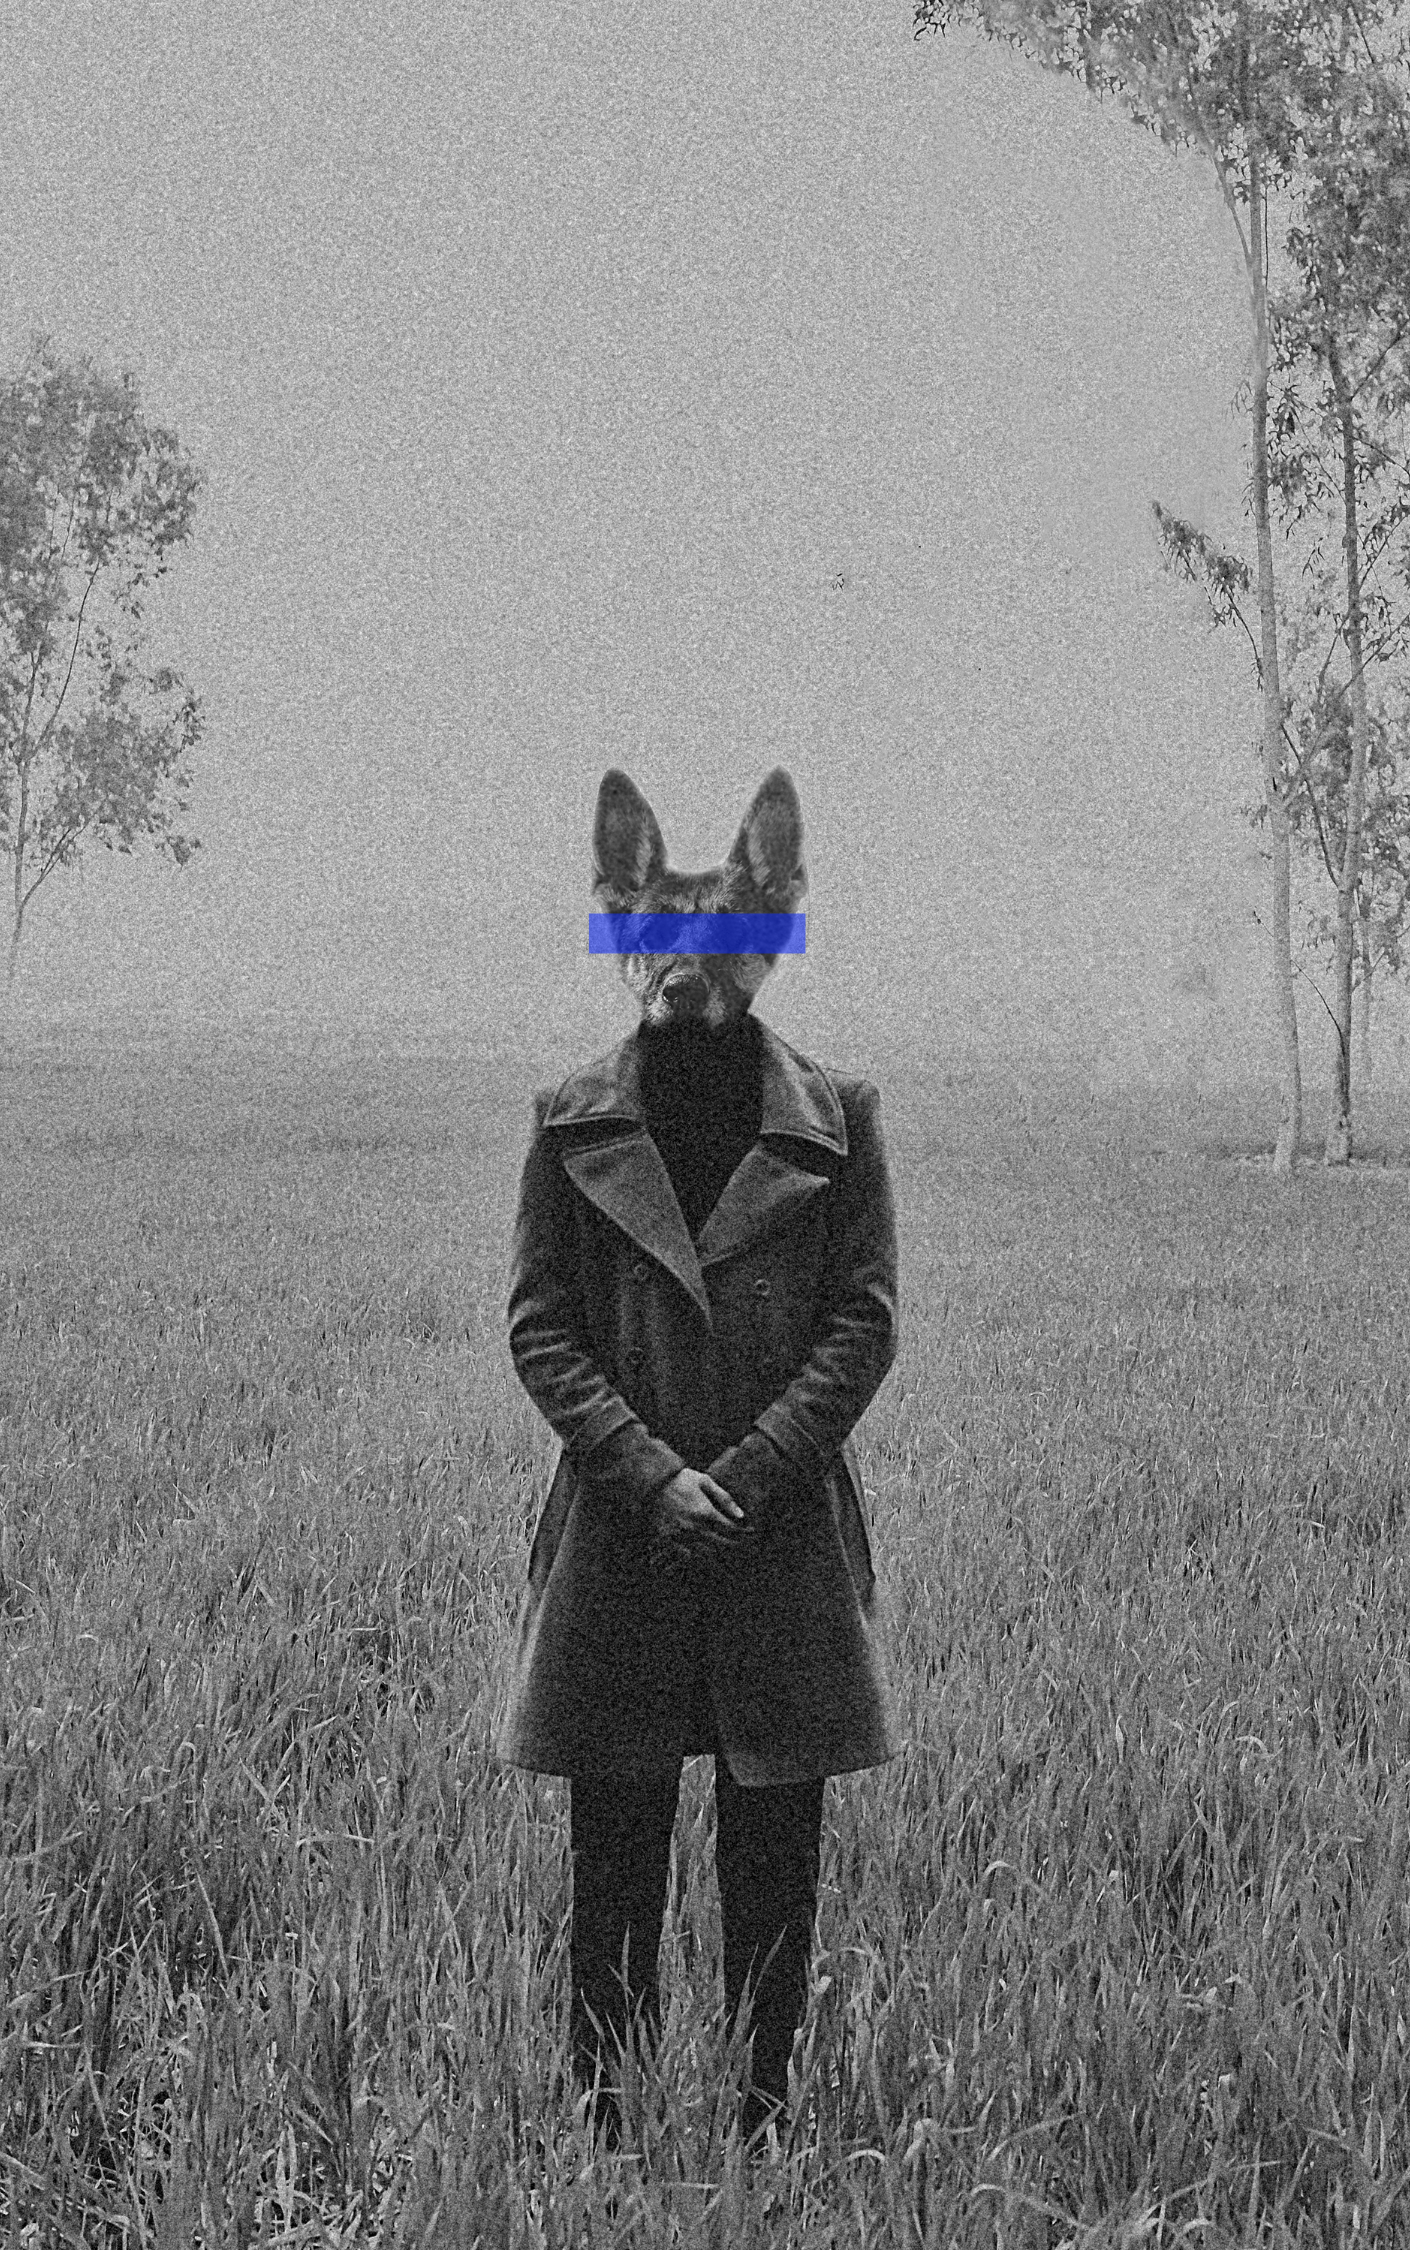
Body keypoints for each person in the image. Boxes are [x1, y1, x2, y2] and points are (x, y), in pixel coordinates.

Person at [495, 765, 901, 2156]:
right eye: (654, 933)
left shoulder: (840, 1117)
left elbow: (863, 1323)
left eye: (725, 938)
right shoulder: (567, 1117)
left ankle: (761, 2130)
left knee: (775, 1860)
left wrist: (751, 1472)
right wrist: (655, 1476)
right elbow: (539, 1327)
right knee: (613, 1858)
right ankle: (605, 2136)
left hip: (779, 1541)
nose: (685, 968)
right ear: (616, 922)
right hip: (621, 1537)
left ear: (775, 924)